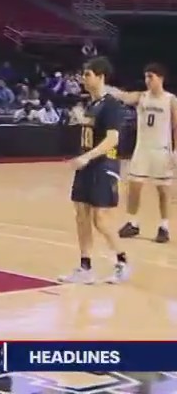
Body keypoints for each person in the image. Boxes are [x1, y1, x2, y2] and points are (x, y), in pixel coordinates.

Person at [59, 57, 130, 284]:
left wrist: (87, 157)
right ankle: (85, 266)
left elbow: (112, 139)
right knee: (81, 215)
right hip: (86, 166)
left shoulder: (111, 105)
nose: (83, 78)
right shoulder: (91, 105)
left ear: (100, 77)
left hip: (103, 165)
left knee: (101, 219)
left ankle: (122, 261)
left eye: (88, 74)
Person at [109, 63, 177, 243]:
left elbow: (176, 127)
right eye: (146, 77)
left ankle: (164, 227)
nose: (147, 80)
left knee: (163, 191)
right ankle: (133, 223)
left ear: (161, 78)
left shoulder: (170, 100)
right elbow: (123, 96)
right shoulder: (141, 96)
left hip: (161, 150)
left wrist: (176, 152)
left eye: (151, 77)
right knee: (134, 187)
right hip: (142, 149)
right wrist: (104, 88)